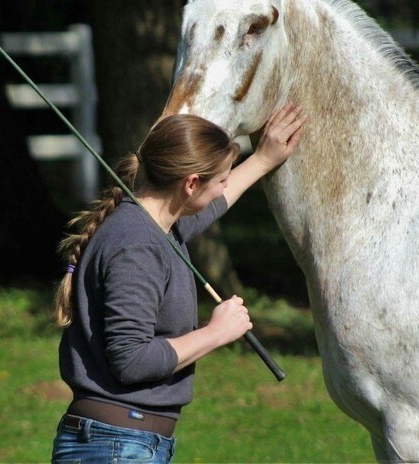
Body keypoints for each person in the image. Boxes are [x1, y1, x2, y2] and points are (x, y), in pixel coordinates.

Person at [50, 102, 306, 464]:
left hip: (127, 443)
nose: (223, 189)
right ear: (190, 184)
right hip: (116, 447)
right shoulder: (136, 247)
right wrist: (216, 332)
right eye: (220, 180)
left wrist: (263, 159)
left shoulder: (158, 229)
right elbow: (131, 360)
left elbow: (214, 205)